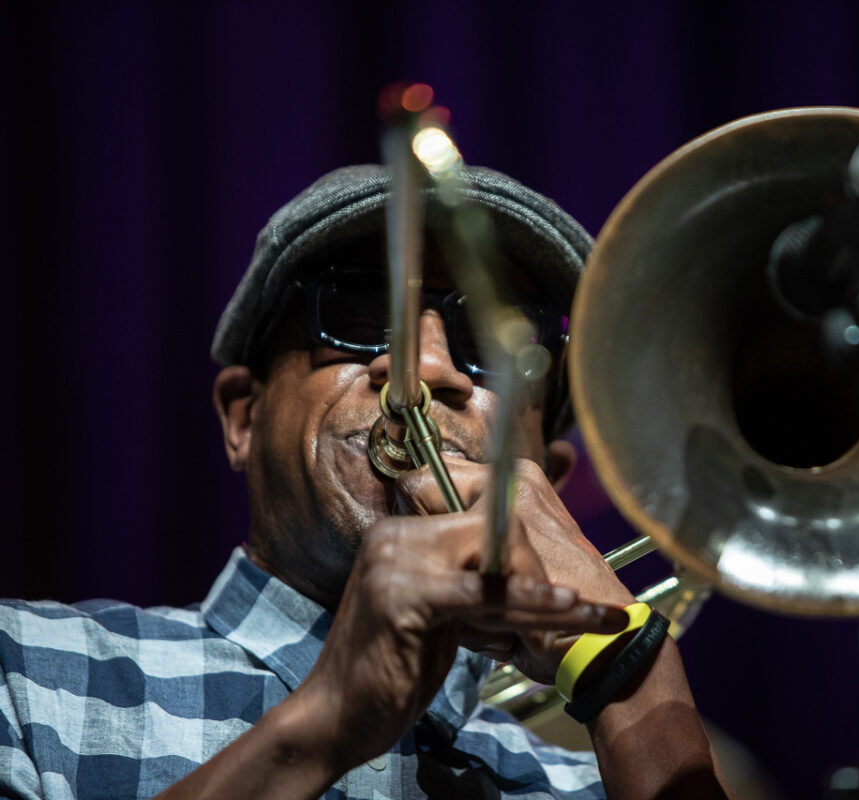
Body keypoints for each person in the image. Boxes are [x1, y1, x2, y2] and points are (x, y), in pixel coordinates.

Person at [0, 165, 726, 799]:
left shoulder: (590, 786)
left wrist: (635, 676)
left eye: (488, 343)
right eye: (359, 315)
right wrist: (315, 731)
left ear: (551, 486)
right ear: (242, 419)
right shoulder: (29, 672)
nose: (426, 369)